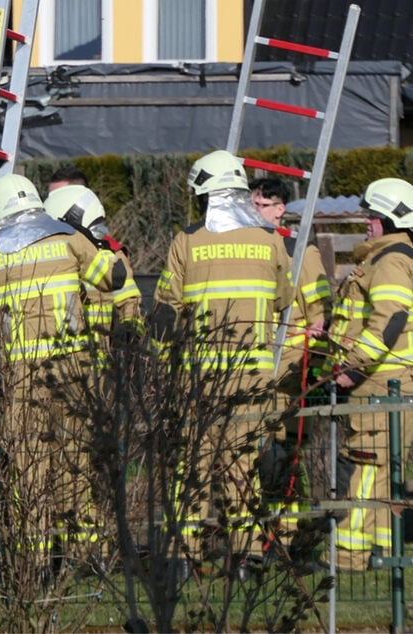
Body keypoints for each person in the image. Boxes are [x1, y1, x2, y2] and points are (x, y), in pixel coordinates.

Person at [0, 173, 127, 576]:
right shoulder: (67, 237)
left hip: (24, 378)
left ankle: (37, 564)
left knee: (29, 471)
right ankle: (85, 559)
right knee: (76, 465)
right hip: (75, 371)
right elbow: (113, 278)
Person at [152, 151, 294, 567]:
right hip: (254, 377)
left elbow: (164, 311)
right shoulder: (272, 240)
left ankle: (184, 558)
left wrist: (163, 367)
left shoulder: (187, 241)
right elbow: (284, 299)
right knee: (242, 469)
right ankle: (247, 559)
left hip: (198, 379)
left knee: (191, 469)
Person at [326, 177, 413, 571]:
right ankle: (381, 550)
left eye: (373, 216)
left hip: (380, 380)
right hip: (386, 379)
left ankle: (350, 557)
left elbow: (390, 319)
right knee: (381, 468)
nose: (366, 221)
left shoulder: (391, 260)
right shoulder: (388, 256)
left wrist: (351, 367)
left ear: (392, 219)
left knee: (366, 467)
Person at [249, 178, 332, 540]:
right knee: (256, 457)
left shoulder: (301, 251)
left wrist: (310, 356)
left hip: (289, 375)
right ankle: (260, 530)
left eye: (260, 205)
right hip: (254, 372)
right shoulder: (249, 248)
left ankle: (292, 532)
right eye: (250, 204)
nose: (253, 212)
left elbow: (320, 315)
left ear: (280, 209)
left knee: (286, 456)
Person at [43, 184, 143, 354]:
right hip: (59, 358)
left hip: (97, 361)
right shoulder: (49, 260)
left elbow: (129, 300)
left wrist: (131, 330)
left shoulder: (111, 257)